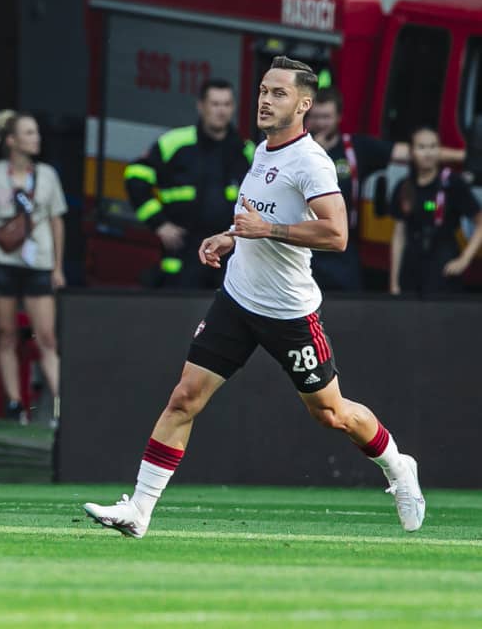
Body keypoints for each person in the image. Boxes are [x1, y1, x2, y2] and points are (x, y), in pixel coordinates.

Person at [84, 57, 425, 539]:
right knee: (184, 397)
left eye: (278, 94)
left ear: (304, 104)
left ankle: (397, 465)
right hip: (237, 299)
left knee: (331, 413)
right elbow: (258, 215)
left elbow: (337, 234)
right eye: (263, 91)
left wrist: (269, 230)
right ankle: (139, 510)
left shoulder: (311, 161)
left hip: (289, 312)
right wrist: (232, 237)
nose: (265, 100)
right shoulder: (264, 150)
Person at [304, 88, 464, 292]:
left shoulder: (356, 147)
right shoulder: (297, 152)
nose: (320, 123)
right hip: (305, 248)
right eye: (315, 117)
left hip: (342, 249)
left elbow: (414, 152)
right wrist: (314, 152)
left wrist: (464, 157)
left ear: (339, 117)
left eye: (326, 117)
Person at [0, 111, 65, 424]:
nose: (36, 138)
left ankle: (62, 405)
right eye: (28, 132)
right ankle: (13, 403)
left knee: (46, 337)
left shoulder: (47, 174)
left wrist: (58, 266)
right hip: (2, 260)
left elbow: (56, 220)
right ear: (12, 140)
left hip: (39, 262)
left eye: (35, 132)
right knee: (6, 334)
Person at [125, 78, 253, 289]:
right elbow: (135, 176)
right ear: (201, 106)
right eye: (215, 104)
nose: (221, 111)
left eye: (227, 104)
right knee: (179, 315)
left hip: (229, 253)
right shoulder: (175, 143)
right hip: (184, 251)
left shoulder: (245, 151)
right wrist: (159, 223)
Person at [388, 125, 482, 296]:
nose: (428, 153)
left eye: (433, 147)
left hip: (443, 262)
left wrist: (464, 259)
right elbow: (399, 235)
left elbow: (479, 222)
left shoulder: (452, 183)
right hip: (412, 265)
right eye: (422, 147)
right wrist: (394, 282)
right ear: (412, 152)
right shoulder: (404, 187)